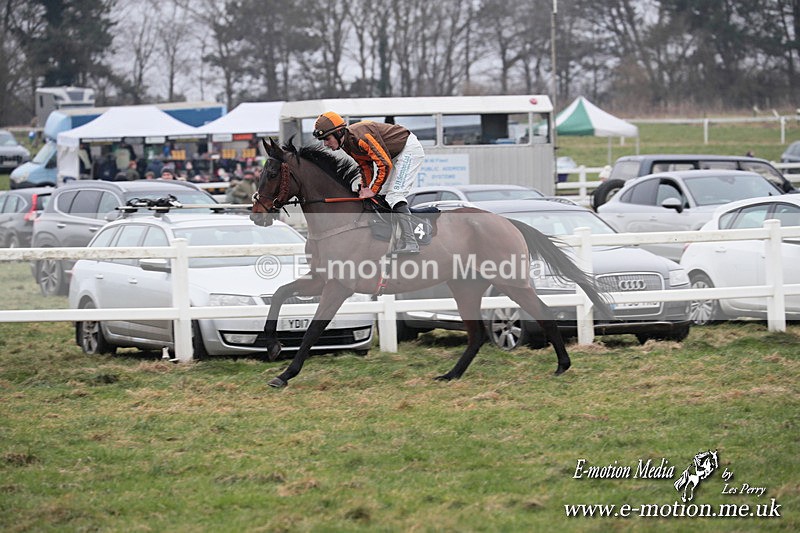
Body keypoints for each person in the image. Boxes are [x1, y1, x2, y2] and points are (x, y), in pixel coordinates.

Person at [313, 111, 422, 254]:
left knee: (394, 195)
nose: (326, 144)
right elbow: (365, 166)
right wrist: (365, 188)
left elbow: (384, 164)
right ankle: (394, 236)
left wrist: (372, 189)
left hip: (408, 150)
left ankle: (411, 242)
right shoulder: (346, 144)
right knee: (381, 195)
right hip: (393, 155)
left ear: (339, 132)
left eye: (327, 139)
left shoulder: (361, 137)